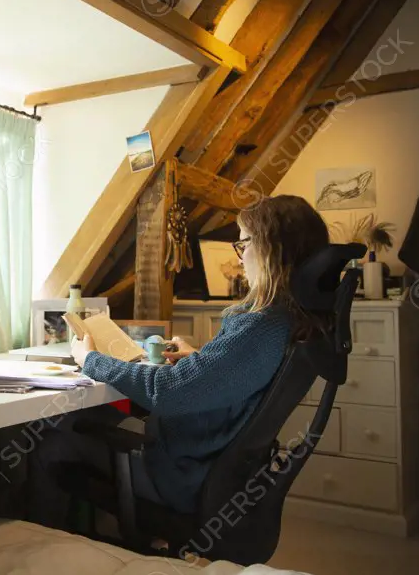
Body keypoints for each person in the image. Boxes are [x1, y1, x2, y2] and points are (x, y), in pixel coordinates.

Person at [26, 195, 331, 530]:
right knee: (98, 416)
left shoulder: (260, 327)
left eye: (243, 244)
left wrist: (90, 358)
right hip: (212, 469)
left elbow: (166, 392)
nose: (241, 258)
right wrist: (200, 360)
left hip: (183, 477)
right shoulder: (287, 321)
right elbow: (235, 384)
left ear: (272, 250)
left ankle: (51, 558)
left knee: (52, 442)